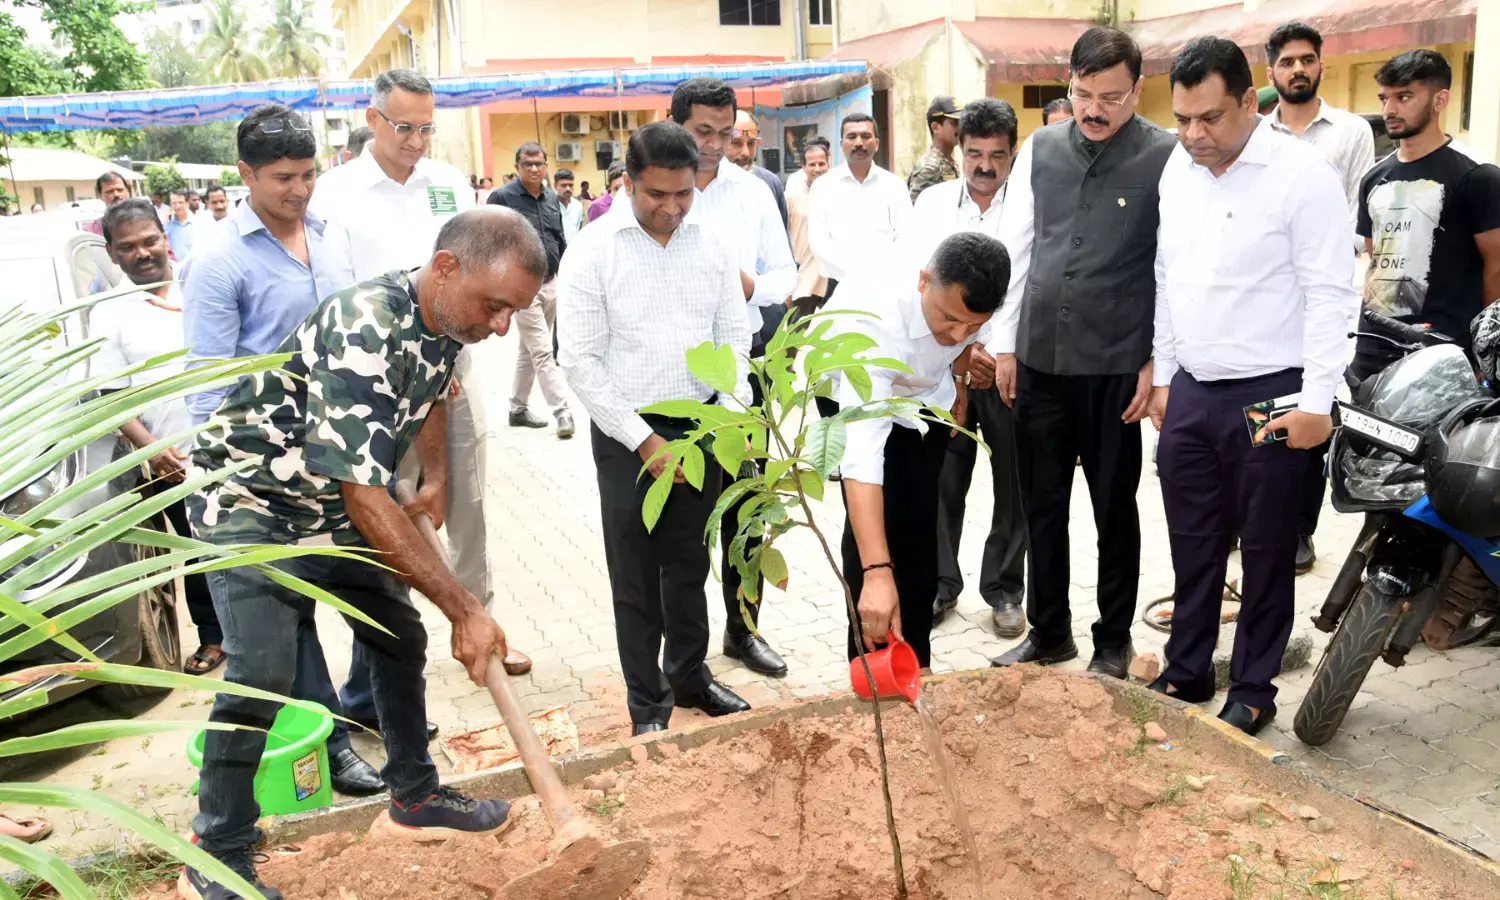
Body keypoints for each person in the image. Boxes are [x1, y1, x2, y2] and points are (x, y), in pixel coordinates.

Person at [183, 208, 546, 900]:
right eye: (496, 307)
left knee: (396, 634)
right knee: (262, 670)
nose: (502, 326)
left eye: (514, 312)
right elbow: (366, 500)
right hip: (252, 504)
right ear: (447, 267)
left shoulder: (445, 319)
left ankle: (413, 799)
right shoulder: (364, 324)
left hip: (332, 501)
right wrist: (465, 608)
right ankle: (215, 846)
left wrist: (435, 479)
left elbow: (434, 392)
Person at [310, 67, 532, 732]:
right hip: (368, 377)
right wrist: (411, 359)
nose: (415, 139)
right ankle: (377, 672)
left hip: (447, 361)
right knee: (376, 523)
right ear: (374, 120)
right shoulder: (337, 192)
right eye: (403, 126)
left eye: (426, 127)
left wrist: (444, 365)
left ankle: (483, 623)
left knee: (457, 501)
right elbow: (335, 295)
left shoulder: (446, 184)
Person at [1148, 37, 1358, 735]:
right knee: (1193, 540)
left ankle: (1255, 685)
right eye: (1181, 119)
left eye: (1208, 118)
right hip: (1194, 393)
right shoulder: (1178, 171)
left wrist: (1317, 402)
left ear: (1248, 101)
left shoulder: (1302, 175)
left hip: (1273, 392)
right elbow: (1167, 280)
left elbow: (1331, 295)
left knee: (1267, 548)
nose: (1192, 134)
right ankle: (1185, 671)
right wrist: (1167, 377)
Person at [181, 104, 382, 800]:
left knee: (366, 597)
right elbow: (206, 388)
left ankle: (366, 719)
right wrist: (235, 482)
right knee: (285, 619)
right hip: (260, 475)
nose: (297, 191)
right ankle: (330, 745)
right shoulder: (218, 263)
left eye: (307, 175)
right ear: (245, 175)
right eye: (281, 178)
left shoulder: (329, 238)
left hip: (334, 459)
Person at [988, 26, 1177, 679]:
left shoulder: (1166, 156)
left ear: (1138, 90)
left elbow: (1170, 268)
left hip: (1114, 368)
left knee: (1112, 510)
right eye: (1083, 92)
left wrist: (1158, 362)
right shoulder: (1041, 147)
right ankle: (1049, 634)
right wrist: (1005, 345)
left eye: (1111, 97)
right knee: (1041, 504)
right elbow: (1016, 249)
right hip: (1040, 360)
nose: (1095, 109)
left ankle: (1114, 639)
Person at [557, 121, 753, 735]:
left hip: (702, 426)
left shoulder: (713, 244)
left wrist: (728, 410)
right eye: (656, 196)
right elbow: (579, 360)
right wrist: (643, 439)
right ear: (628, 183)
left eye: (683, 194)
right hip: (627, 434)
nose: (670, 208)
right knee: (636, 576)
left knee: (691, 564)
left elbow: (735, 337)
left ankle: (690, 676)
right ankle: (647, 704)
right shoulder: (592, 249)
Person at [668, 76, 797, 677]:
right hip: (670, 378)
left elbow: (784, 278)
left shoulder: (752, 193)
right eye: (703, 132)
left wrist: (740, 281)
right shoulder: (652, 189)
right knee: (684, 522)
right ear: (676, 127)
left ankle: (744, 633)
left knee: (746, 507)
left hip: (743, 374)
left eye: (725, 132)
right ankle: (684, 654)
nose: (716, 145)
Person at [833, 232, 1009, 669]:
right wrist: (876, 573)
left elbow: (959, 343)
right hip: (855, 395)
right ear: (923, 281)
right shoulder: (872, 323)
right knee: (874, 541)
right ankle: (872, 671)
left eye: (973, 325)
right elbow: (862, 459)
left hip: (924, 400)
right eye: (949, 319)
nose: (958, 334)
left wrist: (960, 376)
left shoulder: (962, 302)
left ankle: (915, 665)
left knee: (919, 539)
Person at [902, 98, 1028, 639]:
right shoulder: (930, 203)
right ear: (959, 150)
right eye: (974, 153)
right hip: (941, 367)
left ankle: (1004, 590)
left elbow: (1028, 287)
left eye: (996, 155)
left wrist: (997, 351)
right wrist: (960, 353)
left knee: (1013, 484)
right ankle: (937, 584)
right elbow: (917, 278)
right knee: (940, 480)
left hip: (1006, 369)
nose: (983, 166)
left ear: (1011, 153)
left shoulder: (1030, 206)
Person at [1260, 21, 1377, 575]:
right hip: (1264, 301)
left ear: (1320, 65)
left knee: (1314, 407)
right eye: (1287, 62)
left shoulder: (1351, 133)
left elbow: (1359, 220)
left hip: (1323, 298)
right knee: (1262, 409)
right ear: (1271, 72)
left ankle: (1301, 531)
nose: (1298, 69)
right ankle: (1257, 522)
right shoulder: (1256, 134)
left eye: (1307, 59)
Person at [93, 199, 225, 677]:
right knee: (195, 553)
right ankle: (214, 636)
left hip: (231, 445)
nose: (142, 252)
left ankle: (265, 630)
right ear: (112, 255)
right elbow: (111, 395)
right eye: (127, 247)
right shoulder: (110, 314)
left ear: (164, 238)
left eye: (150, 240)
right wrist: (152, 447)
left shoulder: (204, 284)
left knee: (245, 546)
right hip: (172, 461)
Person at [1354, 50, 1500, 380]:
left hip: (1442, 354)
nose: (1389, 109)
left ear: (1440, 99)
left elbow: (1497, 269)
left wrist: (1483, 353)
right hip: (1372, 347)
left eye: (1404, 97)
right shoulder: (1373, 179)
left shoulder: (1477, 176)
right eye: (1384, 98)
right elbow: (1376, 260)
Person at [488, 141, 575, 439]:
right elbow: (489, 241)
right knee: (542, 351)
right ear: (516, 168)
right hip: (522, 288)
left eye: (539, 163)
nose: (534, 169)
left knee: (529, 350)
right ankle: (563, 412)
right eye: (527, 164)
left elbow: (559, 238)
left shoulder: (551, 198)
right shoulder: (502, 197)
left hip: (552, 283)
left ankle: (517, 409)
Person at [808, 112, 910, 302]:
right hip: (840, 287)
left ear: (876, 143)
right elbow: (819, 243)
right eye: (852, 136)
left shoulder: (894, 185)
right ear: (841, 144)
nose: (858, 143)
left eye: (865, 136)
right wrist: (855, 275)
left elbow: (905, 237)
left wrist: (881, 275)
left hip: (887, 287)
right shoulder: (823, 186)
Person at [785, 135, 831, 319]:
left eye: (822, 164)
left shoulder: (840, 195)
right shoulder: (791, 196)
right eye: (812, 165)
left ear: (829, 165)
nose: (817, 169)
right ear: (803, 167)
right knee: (795, 330)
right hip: (804, 273)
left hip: (833, 273)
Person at [727, 109, 789, 230]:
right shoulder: (706, 185)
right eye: (736, 143)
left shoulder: (770, 183)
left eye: (751, 143)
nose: (745, 152)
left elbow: (781, 238)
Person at [908, 95, 961, 200]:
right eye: (955, 123)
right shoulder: (928, 168)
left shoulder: (948, 161)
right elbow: (918, 210)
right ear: (936, 128)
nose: (960, 128)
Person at [83, 171, 132, 236]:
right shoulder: (91, 231)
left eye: (120, 190)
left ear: (127, 192)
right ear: (100, 196)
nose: (116, 194)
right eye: (109, 191)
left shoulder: (146, 221)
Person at [164, 189, 198, 259]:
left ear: (187, 203)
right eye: (174, 203)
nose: (177, 206)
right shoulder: (168, 225)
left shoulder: (197, 223)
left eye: (180, 202)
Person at [554, 166, 585, 243]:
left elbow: (578, 230)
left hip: (573, 251)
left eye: (570, 185)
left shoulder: (577, 206)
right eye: (563, 185)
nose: (568, 189)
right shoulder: (548, 204)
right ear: (555, 186)